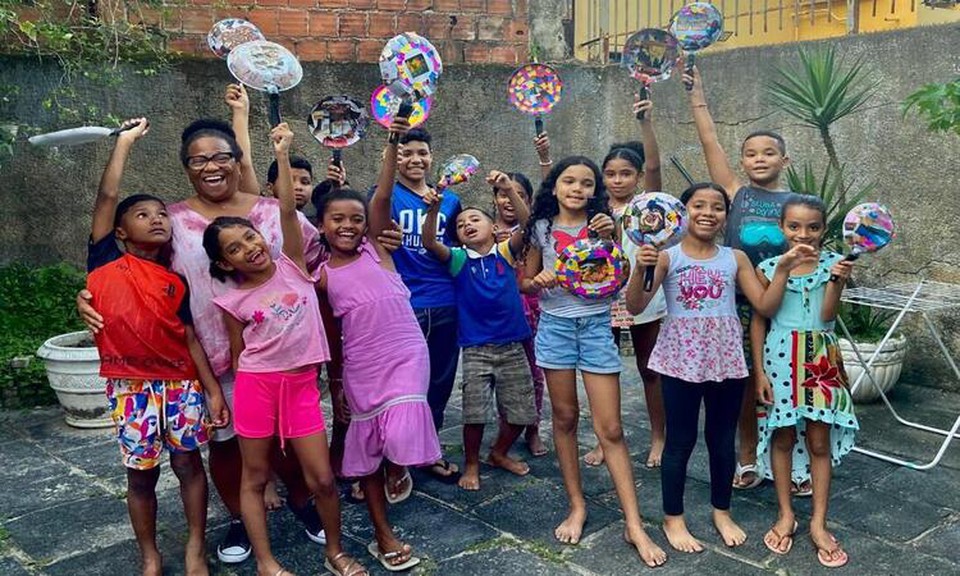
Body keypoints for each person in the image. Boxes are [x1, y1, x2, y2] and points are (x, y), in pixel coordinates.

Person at [75, 113, 347, 564]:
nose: (210, 166)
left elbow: (317, 264)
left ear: (238, 160)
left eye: (220, 156)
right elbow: (129, 269)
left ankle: (303, 503)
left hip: (281, 354)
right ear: (186, 168)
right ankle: (242, 515)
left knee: (289, 438)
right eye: (197, 160)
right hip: (207, 357)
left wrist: (378, 253)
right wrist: (89, 295)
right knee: (225, 444)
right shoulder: (173, 220)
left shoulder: (271, 213)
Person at [204, 123, 366, 576]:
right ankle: (267, 563)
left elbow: (288, 212)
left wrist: (282, 153)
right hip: (257, 387)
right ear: (224, 263)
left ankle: (335, 551)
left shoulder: (291, 265)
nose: (249, 248)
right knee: (254, 479)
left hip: (301, 389)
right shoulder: (230, 300)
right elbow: (239, 357)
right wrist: (236, 399)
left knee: (322, 480)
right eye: (235, 248)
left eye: (251, 238)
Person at [625, 182, 817, 554]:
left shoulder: (735, 258)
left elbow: (763, 305)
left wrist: (782, 272)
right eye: (699, 205)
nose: (708, 213)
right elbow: (634, 306)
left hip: (726, 357)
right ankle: (673, 518)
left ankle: (721, 511)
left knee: (721, 439)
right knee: (679, 441)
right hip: (681, 359)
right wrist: (639, 268)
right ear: (683, 212)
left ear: (726, 216)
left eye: (717, 207)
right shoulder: (667, 256)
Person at [85, 117, 227, 576]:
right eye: (143, 215)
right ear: (121, 231)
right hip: (130, 386)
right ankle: (149, 553)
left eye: (162, 214)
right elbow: (108, 196)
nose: (157, 219)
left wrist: (212, 389)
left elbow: (189, 337)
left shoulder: (174, 279)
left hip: (181, 384)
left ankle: (194, 547)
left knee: (189, 463)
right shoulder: (107, 258)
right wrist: (124, 143)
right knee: (140, 474)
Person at [522, 156, 666, 567]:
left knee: (612, 429)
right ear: (555, 185)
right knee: (564, 420)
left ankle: (634, 524)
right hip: (555, 330)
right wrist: (538, 281)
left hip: (597, 328)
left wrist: (615, 235)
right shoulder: (540, 229)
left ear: (595, 189)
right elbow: (524, 282)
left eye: (587, 183)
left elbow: (618, 277)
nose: (578, 189)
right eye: (570, 181)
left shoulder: (606, 224)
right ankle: (577, 505)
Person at [316, 118, 442, 571]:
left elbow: (383, 197)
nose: (349, 226)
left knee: (404, 423)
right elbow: (331, 335)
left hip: (407, 352)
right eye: (338, 220)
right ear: (322, 226)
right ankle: (382, 533)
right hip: (361, 365)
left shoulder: (377, 248)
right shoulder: (322, 275)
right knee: (366, 447)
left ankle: (398, 464)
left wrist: (391, 143)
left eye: (356, 219)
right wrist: (335, 384)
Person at [683, 66, 798, 492]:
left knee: (788, 378)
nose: (759, 159)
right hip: (738, 304)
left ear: (784, 160)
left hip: (784, 301)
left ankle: (794, 456)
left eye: (769, 153)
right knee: (746, 382)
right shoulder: (735, 192)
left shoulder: (796, 203)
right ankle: (748, 454)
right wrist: (698, 95)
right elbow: (708, 140)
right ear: (742, 161)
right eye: (751, 153)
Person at [755, 195, 858, 567]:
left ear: (824, 229)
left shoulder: (835, 263)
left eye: (813, 227)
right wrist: (759, 372)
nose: (804, 234)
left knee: (819, 439)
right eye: (795, 226)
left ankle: (818, 522)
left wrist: (836, 282)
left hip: (820, 358)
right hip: (779, 356)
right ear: (782, 228)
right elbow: (761, 316)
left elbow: (827, 315)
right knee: (781, 436)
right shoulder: (768, 266)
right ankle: (785, 514)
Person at [424, 170, 537, 491]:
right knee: (474, 413)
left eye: (475, 219)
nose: (467, 225)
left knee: (521, 413)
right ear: (457, 237)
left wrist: (507, 190)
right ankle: (472, 463)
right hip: (475, 349)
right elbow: (431, 241)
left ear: (494, 227)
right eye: (460, 225)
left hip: (513, 346)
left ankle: (498, 452)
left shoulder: (505, 252)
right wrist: (434, 208)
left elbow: (528, 225)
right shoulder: (458, 259)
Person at [370, 127, 462, 482]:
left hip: (444, 303)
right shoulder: (384, 195)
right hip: (402, 305)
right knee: (399, 385)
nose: (415, 159)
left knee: (439, 382)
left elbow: (457, 248)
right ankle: (390, 456)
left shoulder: (450, 201)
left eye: (422, 152)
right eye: (406, 153)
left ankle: (428, 450)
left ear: (431, 157)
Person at [584, 97, 668, 470]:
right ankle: (607, 439)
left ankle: (659, 436)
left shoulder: (647, 206)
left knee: (650, 370)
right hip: (603, 299)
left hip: (643, 296)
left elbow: (654, 165)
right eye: (611, 174)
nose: (618, 180)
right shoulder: (593, 209)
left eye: (625, 174)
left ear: (636, 178)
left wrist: (645, 123)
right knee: (604, 370)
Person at [492, 170, 547, 457]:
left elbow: (529, 228)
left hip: (530, 310)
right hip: (495, 313)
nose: (509, 200)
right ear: (495, 198)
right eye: (503, 194)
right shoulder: (484, 227)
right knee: (503, 375)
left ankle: (533, 428)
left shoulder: (532, 229)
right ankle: (506, 426)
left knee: (534, 373)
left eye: (518, 195)